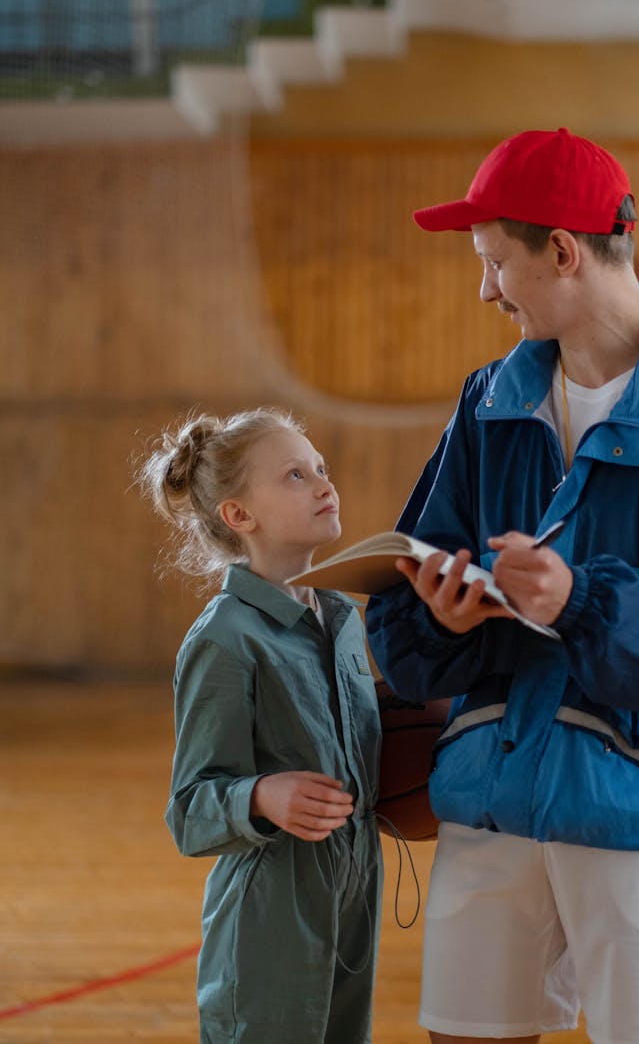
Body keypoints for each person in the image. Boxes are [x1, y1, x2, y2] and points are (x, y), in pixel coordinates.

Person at [365, 127, 639, 1044]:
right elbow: (406, 588)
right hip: (495, 790)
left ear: (565, 252)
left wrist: (577, 600)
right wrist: (440, 615)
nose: (485, 288)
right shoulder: (486, 400)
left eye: (495, 262)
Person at [137, 408, 382, 1044]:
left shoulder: (346, 621)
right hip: (270, 918)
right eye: (296, 476)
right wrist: (263, 796)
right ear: (240, 516)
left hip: (355, 902)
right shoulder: (224, 638)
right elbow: (189, 813)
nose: (325, 484)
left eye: (322, 469)